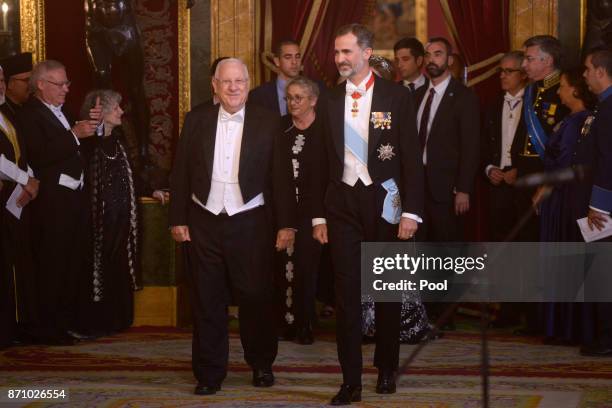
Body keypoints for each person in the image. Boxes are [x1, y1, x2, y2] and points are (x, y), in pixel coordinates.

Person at [169, 58, 296, 395]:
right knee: (207, 300)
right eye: (226, 81)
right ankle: (209, 374)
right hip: (203, 221)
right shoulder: (196, 119)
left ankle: (261, 364)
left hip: (251, 220)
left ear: (249, 82)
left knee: (255, 296)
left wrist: (286, 225)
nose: (234, 87)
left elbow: (281, 178)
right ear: (214, 84)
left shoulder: (269, 122)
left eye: (240, 80)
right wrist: (178, 218)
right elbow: (180, 171)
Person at [311, 24, 423, 404]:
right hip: (341, 203)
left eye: (346, 52)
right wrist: (317, 216)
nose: (340, 59)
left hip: (384, 201)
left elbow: (411, 159)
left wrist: (412, 212)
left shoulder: (396, 96)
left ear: (366, 52)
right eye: (336, 53)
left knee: (386, 290)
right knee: (346, 295)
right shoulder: (327, 99)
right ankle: (351, 380)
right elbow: (318, 164)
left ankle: (387, 368)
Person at [19, 60, 100, 345]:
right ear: (40, 84)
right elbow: (39, 155)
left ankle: (65, 322)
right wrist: (74, 134)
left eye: (67, 83)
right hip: (50, 203)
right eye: (60, 84)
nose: (66, 89)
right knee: (51, 264)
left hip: (73, 199)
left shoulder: (62, 110)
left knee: (70, 262)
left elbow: (74, 149)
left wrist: (90, 130)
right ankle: (47, 327)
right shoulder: (29, 114)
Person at [362, 54, 431, 344]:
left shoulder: (395, 106)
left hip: (391, 196)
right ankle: (367, 323)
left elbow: (409, 160)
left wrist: (410, 210)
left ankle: (404, 324)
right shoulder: (346, 108)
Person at [535, 68, 597, 345]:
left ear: (574, 90)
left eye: (561, 86)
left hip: (564, 199)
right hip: (558, 198)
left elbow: (565, 162)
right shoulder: (570, 119)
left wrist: (546, 186)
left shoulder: (579, 121)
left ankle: (565, 327)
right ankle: (558, 325)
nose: (557, 91)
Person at [76, 89, 139, 336]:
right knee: (98, 265)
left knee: (119, 265)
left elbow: (129, 173)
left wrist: (152, 190)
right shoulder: (89, 142)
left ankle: (118, 318)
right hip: (96, 220)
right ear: (100, 112)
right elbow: (91, 151)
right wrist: (96, 126)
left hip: (121, 219)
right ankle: (97, 321)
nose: (121, 112)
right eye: (115, 108)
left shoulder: (118, 139)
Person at [276, 76, 325, 345]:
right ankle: (285, 322)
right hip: (283, 209)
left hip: (315, 212)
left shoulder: (326, 130)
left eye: (298, 98)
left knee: (307, 268)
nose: (292, 103)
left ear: (313, 100)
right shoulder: (280, 128)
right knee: (283, 264)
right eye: (289, 98)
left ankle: (305, 323)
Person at [0, 65, 39, 348]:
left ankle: (14, 327)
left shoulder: (6, 116)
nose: (0, 85)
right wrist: (26, 179)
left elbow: (21, 153)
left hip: (15, 201)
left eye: (1, 80)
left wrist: (31, 181)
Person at [483, 51, 536, 242]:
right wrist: (489, 169)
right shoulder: (493, 104)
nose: (502, 76)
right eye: (501, 71)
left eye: (508, 71)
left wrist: (520, 170)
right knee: (500, 236)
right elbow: (483, 144)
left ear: (523, 74)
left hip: (525, 181)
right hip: (498, 181)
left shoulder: (534, 104)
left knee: (527, 237)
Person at [581, 47, 612, 357]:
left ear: (601, 71)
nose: (585, 75)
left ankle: (607, 337)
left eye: (588, 69)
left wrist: (599, 205)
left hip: (606, 207)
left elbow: (608, 161)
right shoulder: (603, 106)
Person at [249, 39, 302, 116]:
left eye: (297, 57)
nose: (294, 62)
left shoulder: (316, 90)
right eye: (288, 57)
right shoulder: (258, 95)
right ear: (277, 61)